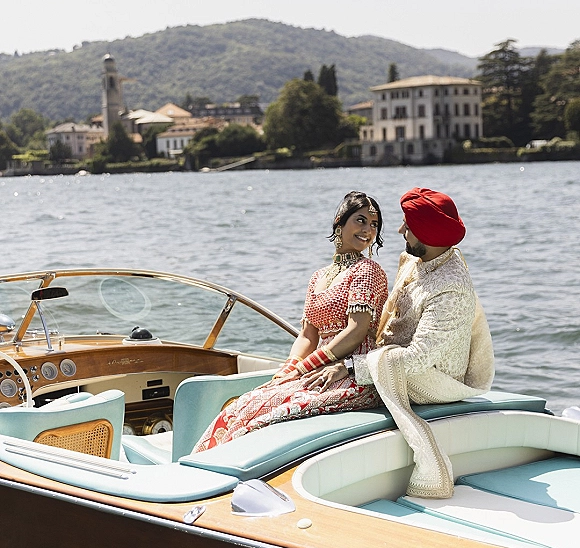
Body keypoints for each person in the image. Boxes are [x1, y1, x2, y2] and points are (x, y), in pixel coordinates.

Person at [316, 187, 495, 499]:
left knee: (335, 384)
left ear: (426, 233)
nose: (400, 230)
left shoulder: (451, 289)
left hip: (435, 381)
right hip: (386, 362)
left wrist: (350, 366)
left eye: (408, 226)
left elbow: (419, 358)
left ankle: (432, 468)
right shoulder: (416, 260)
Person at [192, 192, 389, 452]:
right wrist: (289, 368)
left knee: (268, 414)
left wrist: (305, 367)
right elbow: (308, 335)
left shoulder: (368, 271)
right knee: (245, 404)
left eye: (374, 225)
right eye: (361, 220)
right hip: (317, 371)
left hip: (352, 373)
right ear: (339, 222)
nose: (367, 230)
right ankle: (201, 469)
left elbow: (357, 330)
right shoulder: (318, 276)